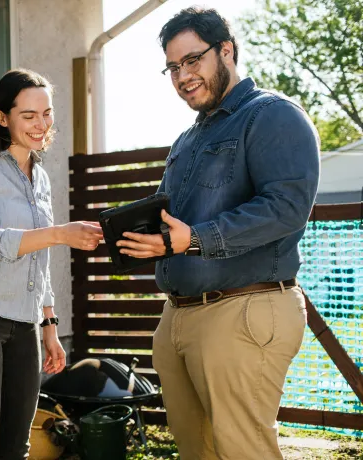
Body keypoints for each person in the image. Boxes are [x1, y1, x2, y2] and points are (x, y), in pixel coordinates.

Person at [116, 7, 320, 460]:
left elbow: (285, 208)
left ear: (226, 51)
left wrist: (193, 239)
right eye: (172, 67)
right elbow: (174, 221)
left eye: (193, 60)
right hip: (179, 317)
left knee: (243, 452)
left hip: (243, 311)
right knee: (196, 452)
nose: (182, 75)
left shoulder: (272, 116)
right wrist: (126, 233)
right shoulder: (188, 139)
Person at [0, 69, 103, 460]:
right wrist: (60, 233)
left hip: (23, 320)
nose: (41, 125)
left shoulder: (40, 177)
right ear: (2, 117)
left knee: (17, 444)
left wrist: (48, 323)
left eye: (46, 114)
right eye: (28, 116)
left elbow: (38, 261)